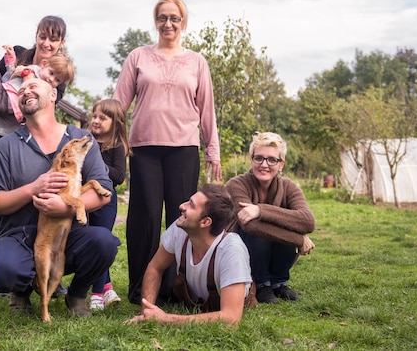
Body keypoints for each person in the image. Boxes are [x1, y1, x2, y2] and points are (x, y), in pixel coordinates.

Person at [113, 0, 222, 305]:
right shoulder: (138, 57)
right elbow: (119, 105)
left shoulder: (197, 62)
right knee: (144, 218)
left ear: (183, 23)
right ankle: (140, 288)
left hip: (184, 149)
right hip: (144, 148)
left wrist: (212, 149)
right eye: (162, 17)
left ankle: (174, 288)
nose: (168, 23)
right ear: (155, 21)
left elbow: (207, 110)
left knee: (182, 218)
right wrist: (108, 144)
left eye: (174, 18)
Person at [0, 77, 120, 316]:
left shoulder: (80, 139)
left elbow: (104, 191)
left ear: (53, 95)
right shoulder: (6, 146)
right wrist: (32, 188)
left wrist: (66, 208)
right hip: (19, 233)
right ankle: (21, 292)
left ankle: (76, 295)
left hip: (67, 234)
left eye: (33, 86)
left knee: (104, 243)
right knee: (4, 270)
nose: (26, 91)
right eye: (21, 90)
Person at [0, 16, 69, 255]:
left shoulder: (56, 77)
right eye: (43, 37)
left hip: (19, 143)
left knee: (22, 202)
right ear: (36, 36)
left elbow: (39, 112)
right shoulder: (19, 55)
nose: (46, 43)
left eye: (53, 40)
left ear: (61, 43)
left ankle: (24, 258)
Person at [126, 184, 252, 325]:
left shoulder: (231, 250)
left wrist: (166, 319)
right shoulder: (180, 229)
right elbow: (155, 268)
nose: (182, 206)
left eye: (191, 205)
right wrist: (147, 310)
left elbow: (231, 318)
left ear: (205, 222)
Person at [225, 132, 316, 304]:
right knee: (258, 229)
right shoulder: (236, 185)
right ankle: (260, 284)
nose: (264, 165)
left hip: (272, 249)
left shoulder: (289, 186)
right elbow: (250, 226)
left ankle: (278, 282)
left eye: (272, 160)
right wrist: (299, 239)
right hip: (241, 250)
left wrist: (260, 210)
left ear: (281, 164)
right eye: (258, 158)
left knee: (279, 223)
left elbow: (307, 221)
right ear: (251, 159)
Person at [86, 99, 131, 310]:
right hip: (86, 199)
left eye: (102, 118)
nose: (96, 121)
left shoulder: (117, 146)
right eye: (94, 116)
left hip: (106, 201)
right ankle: (107, 286)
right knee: (93, 243)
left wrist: (96, 163)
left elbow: (119, 176)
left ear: (115, 122)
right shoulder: (84, 140)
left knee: (102, 240)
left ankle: (96, 294)